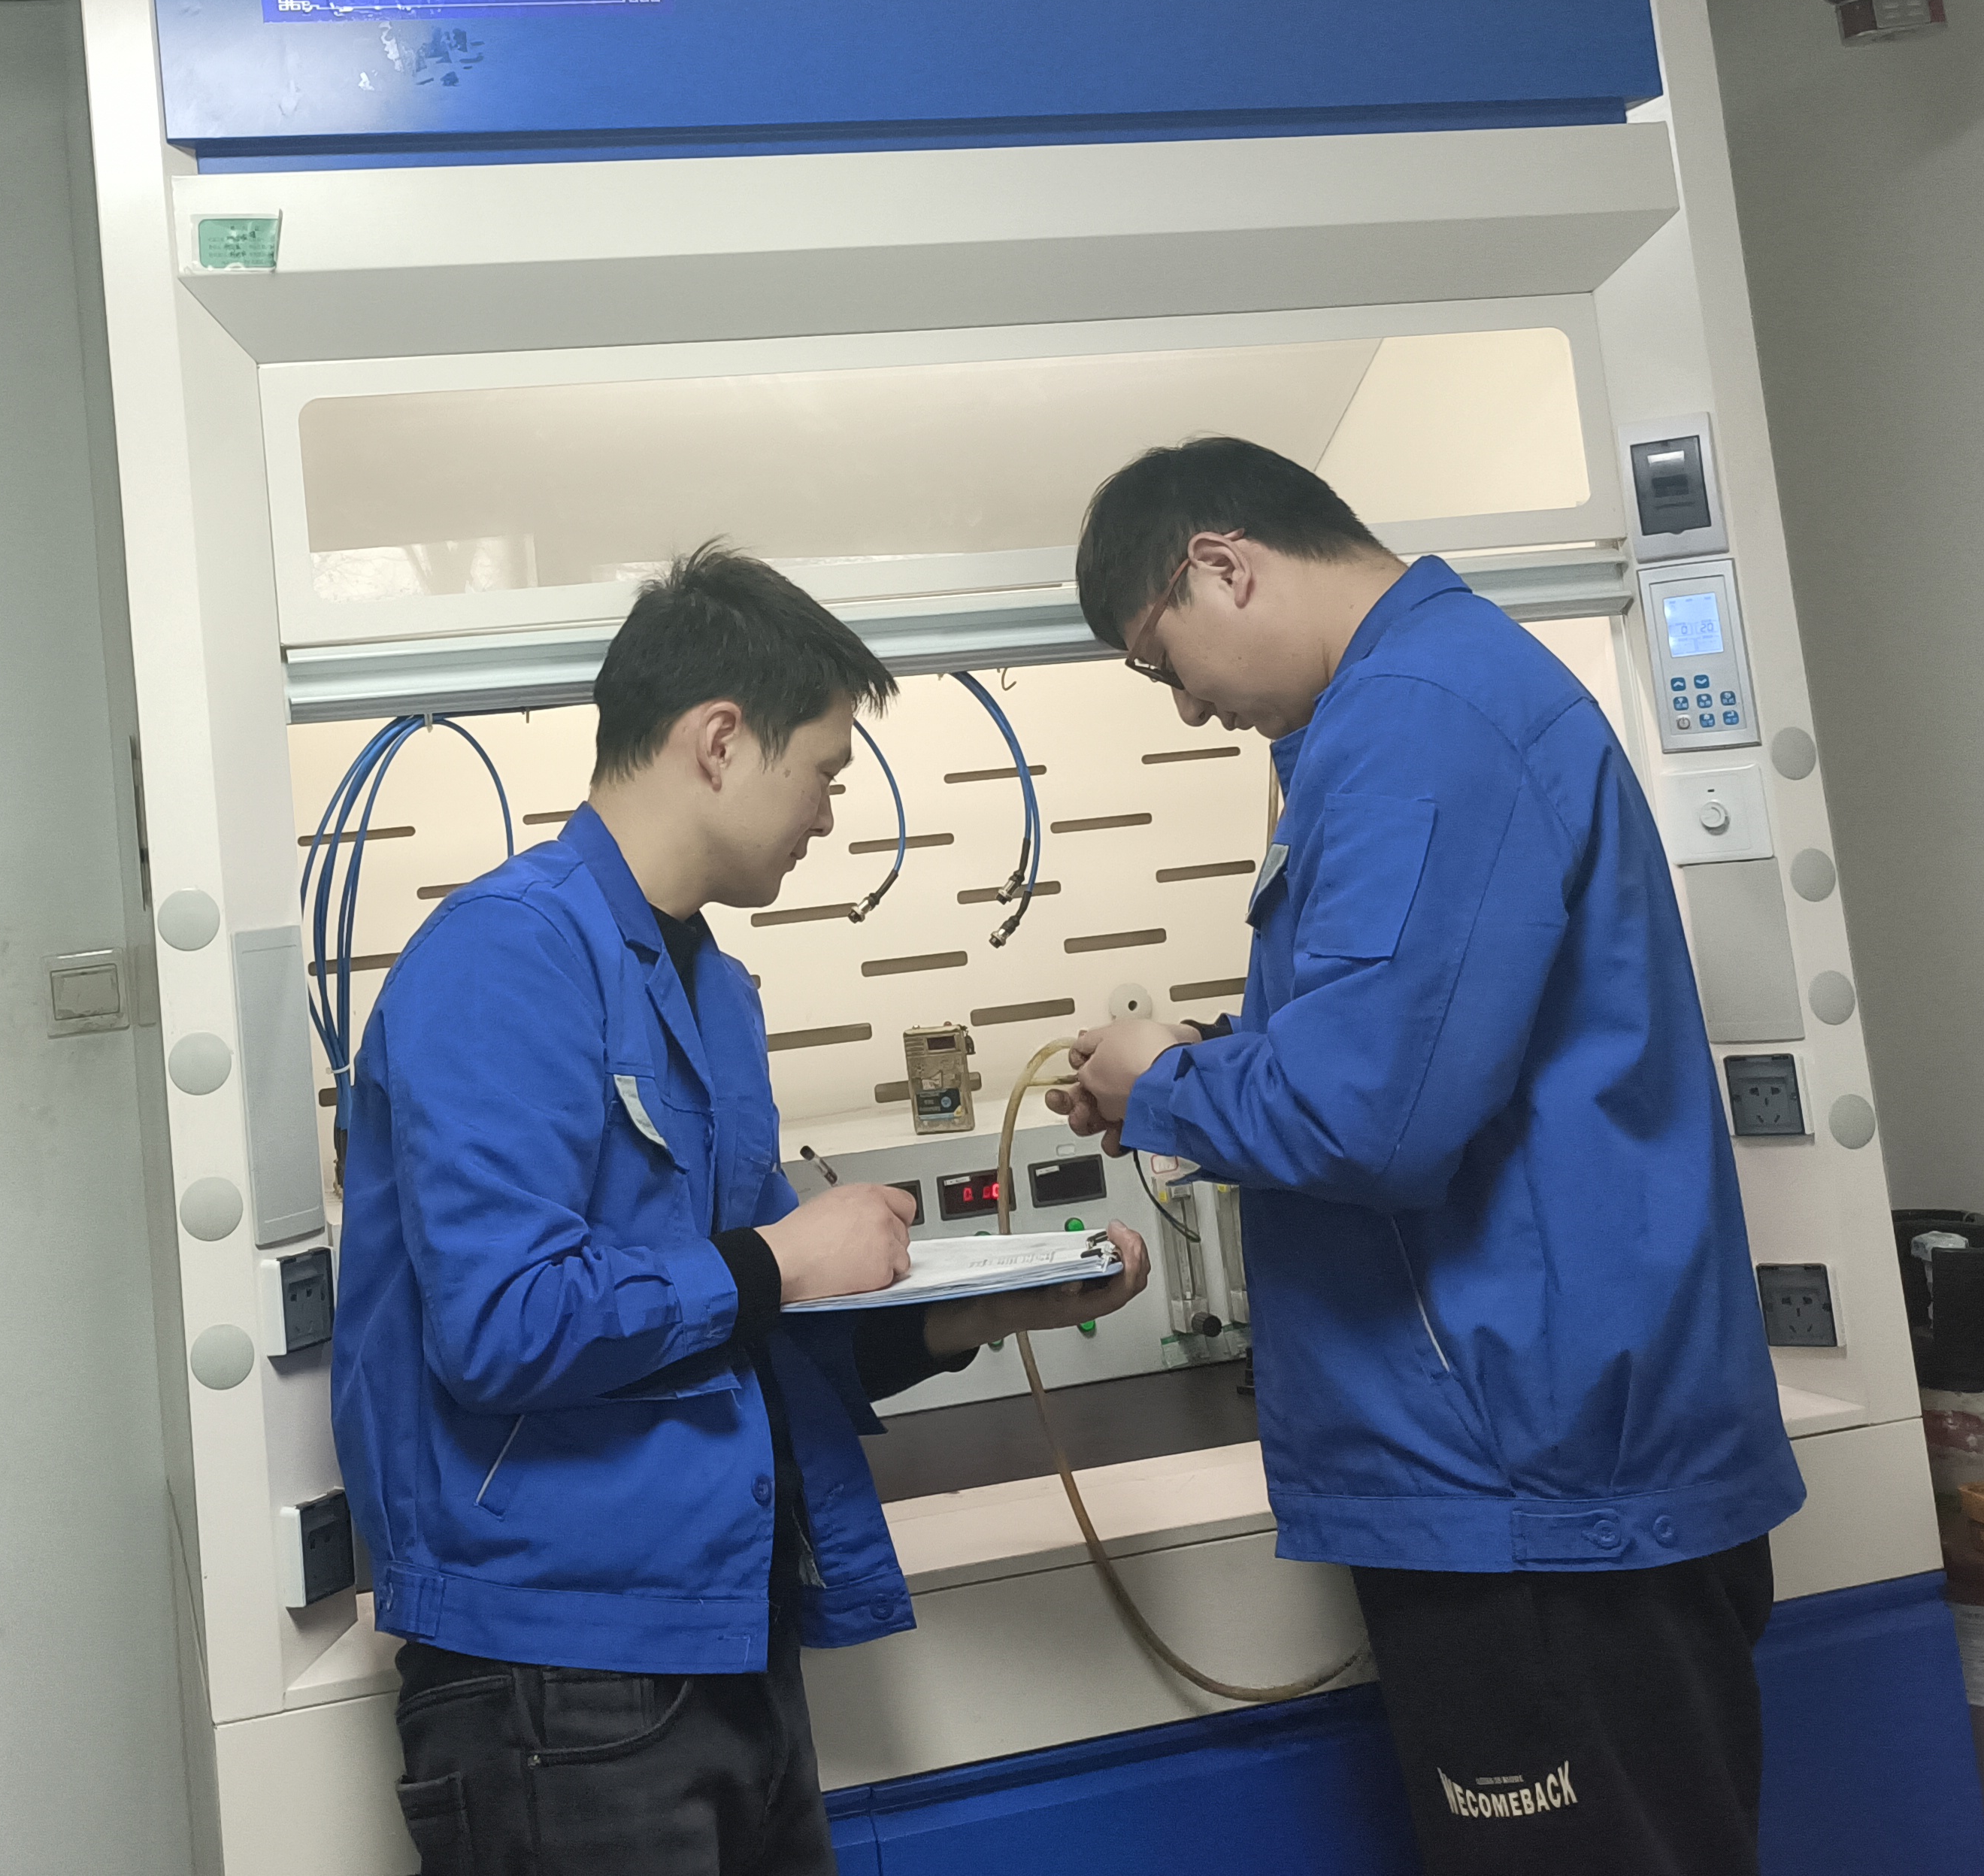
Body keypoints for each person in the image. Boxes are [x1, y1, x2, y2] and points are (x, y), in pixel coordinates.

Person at [335, 541, 1150, 1876]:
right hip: (560, 1673)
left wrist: (970, 1318)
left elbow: (745, 1324)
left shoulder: (713, 991)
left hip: (724, 1634)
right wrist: (781, 1255)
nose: (829, 812)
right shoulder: (507, 954)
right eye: (824, 770)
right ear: (720, 741)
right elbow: (502, 1322)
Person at [1047, 438, 1802, 1876]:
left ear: (1223, 565)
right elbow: (1426, 1039)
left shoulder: (1415, 718)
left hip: (1528, 1476)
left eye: (1161, 661)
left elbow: (1370, 1117)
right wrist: (1202, 1060)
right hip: (1548, 1458)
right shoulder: (1439, 695)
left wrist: (1168, 1084)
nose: (1188, 704)